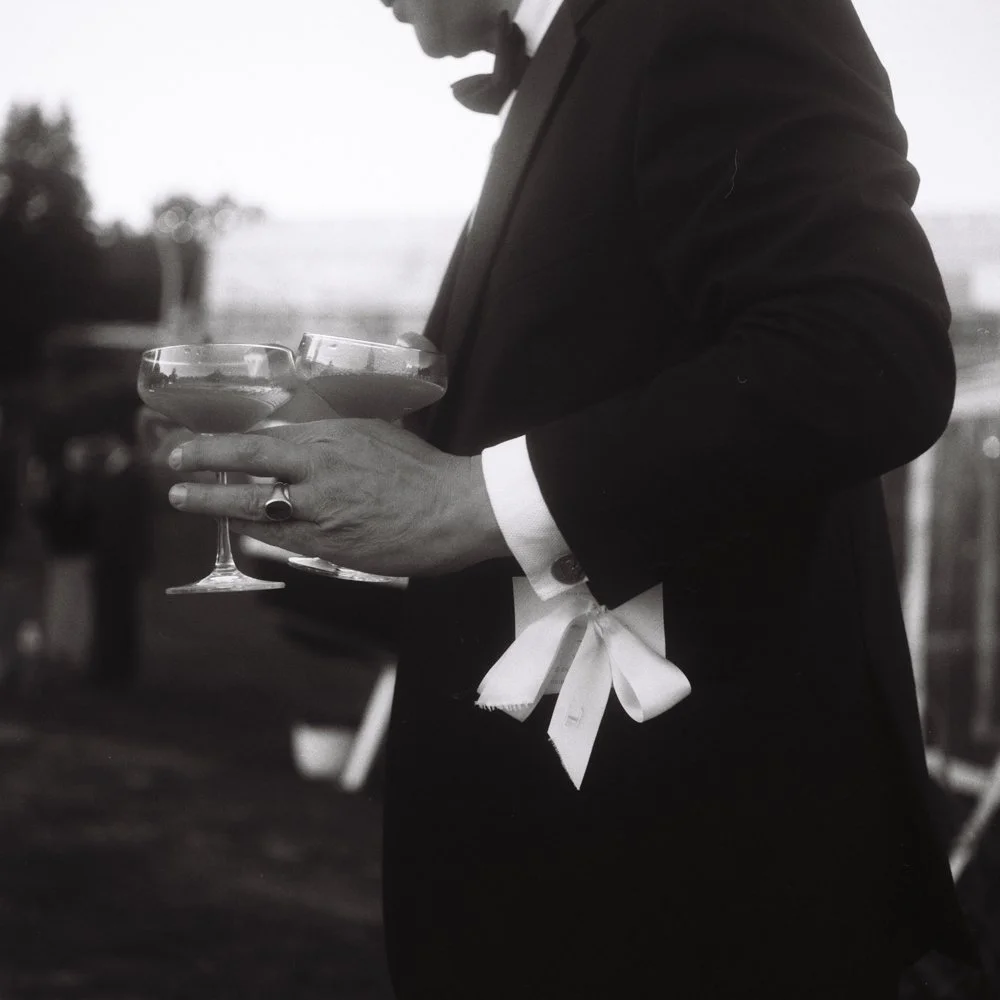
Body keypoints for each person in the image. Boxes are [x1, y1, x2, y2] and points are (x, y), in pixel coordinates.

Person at [160, 0, 979, 994]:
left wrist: (464, 500)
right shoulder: (564, 64)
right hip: (532, 871)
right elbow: (539, 420)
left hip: (700, 883)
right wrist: (327, 499)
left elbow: (868, 351)